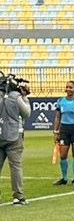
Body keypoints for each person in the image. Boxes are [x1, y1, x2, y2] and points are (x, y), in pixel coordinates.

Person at [0, 76, 30, 205]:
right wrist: (24, 97)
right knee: (15, 166)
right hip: (14, 135)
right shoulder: (16, 96)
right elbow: (26, 113)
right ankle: (18, 196)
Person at [53, 81, 74, 186]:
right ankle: (64, 178)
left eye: (71, 87)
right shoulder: (61, 101)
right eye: (67, 87)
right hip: (64, 129)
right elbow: (57, 117)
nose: (68, 89)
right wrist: (55, 131)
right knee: (63, 155)